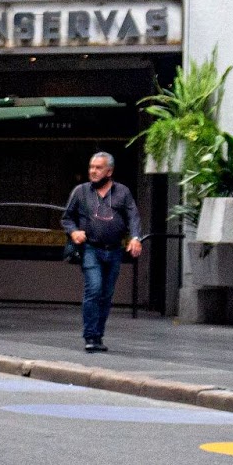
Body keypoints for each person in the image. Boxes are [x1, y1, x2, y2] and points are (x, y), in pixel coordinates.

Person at [61, 151, 142, 353]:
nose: (93, 171)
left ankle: (98, 336)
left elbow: (133, 217)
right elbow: (67, 218)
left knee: (106, 295)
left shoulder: (122, 192)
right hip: (91, 249)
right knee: (94, 289)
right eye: (91, 167)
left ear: (109, 171)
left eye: (98, 168)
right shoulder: (81, 191)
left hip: (114, 251)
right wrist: (74, 232)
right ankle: (89, 336)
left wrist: (135, 238)